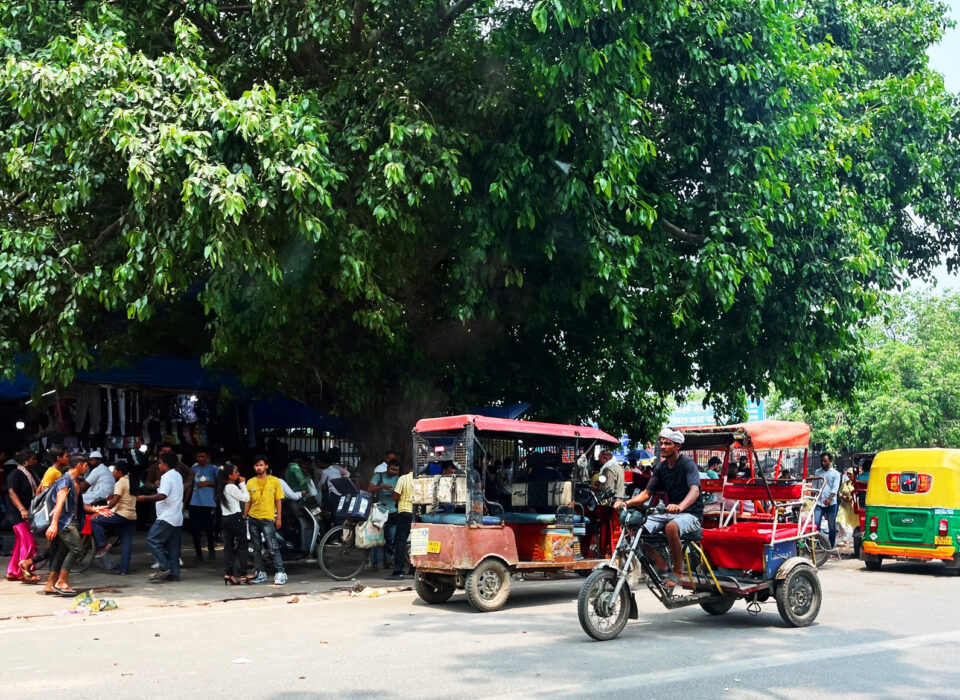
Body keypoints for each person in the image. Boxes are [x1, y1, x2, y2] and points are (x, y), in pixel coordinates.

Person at [614, 428, 702, 591]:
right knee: (636, 529)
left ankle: (677, 571)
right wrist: (626, 503)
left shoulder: (687, 463)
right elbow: (646, 494)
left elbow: (694, 491)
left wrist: (680, 506)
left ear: (678, 446)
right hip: (670, 512)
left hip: (691, 514)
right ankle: (662, 566)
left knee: (671, 527)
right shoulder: (661, 468)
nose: (663, 446)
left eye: (667, 443)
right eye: (661, 443)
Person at [44, 455, 109, 595]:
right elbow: (59, 503)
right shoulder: (65, 481)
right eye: (86, 465)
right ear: (79, 465)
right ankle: (62, 581)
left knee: (62, 551)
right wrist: (54, 524)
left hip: (67, 521)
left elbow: (76, 504)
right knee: (77, 550)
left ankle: (50, 584)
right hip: (65, 522)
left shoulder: (73, 482)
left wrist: (94, 509)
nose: (87, 468)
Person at [138, 452, 184, 582]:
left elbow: (162, 496)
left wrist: (144, 498)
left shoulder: (167, 477)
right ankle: (174, 574)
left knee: (153, 539)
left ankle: (164, 567)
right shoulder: (177, 475)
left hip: (167, 516)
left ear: (165, 465)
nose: (159, 466)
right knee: (173, 548)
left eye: (160, 463)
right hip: (177, 517)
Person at [244, 455, 286, 585]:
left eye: (261, 465)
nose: (259, 467)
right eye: (256, 465)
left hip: (268, 518)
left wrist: (278, 517)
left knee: (272, 546)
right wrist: (244, 516)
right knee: (256, 548)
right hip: (253, 518)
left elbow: (278, 500)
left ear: (266, 466)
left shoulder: (275, 481)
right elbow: (248, 501)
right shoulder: (250, 482)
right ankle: (260, 573)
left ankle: (280, 572)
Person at [91, 461, 138, 575]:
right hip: (132, 516)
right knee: (127, 544)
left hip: (122, 514)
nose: (113, 473)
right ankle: (124, 570)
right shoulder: (132, 481)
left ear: (120, 472)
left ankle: (103, 544)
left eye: (115, 471)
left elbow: (115, 501)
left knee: (95, 520)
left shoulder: (120, 482)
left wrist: (103, 510)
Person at [4, 450, 40, 583]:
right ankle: (25, 572)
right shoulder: (16, 474)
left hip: (27, 512)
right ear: (26, 460)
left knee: (20, 543)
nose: (35, 461)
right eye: (33, 459)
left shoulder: (31, 473)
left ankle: (12, 571)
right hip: (17, 513)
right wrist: (22, 508)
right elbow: (12, 492)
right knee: (29, 542)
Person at [216, 462, 251, 584]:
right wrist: (242, 484)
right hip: (235, 518)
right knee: (242, 545)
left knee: (228, 547)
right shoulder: (232, 487)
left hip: (225, 518)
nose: (238, 474)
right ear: (230, 476)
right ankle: (243, 574)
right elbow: (246, 498)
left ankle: (228, 573)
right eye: (236, 472)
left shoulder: (221, 487)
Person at [188, 447, 218, 563]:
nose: (200, 459)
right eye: (198, 456)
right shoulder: (193, 468)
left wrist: (208, 483)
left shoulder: (214, 469)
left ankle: (211, 549)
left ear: (207, 456)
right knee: (195, 530)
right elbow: (190, 484)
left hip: (208, 502)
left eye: (202, 456)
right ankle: (198, 554)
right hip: (195, 502)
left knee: (209, 529)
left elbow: (221, 482)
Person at [369, 459, 400, 569]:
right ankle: (375, 562)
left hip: (392, 512)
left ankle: (387, 561)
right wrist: (382, 487)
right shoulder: (379, 476)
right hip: (379, 511)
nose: (394, 472)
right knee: (377, 539)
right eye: (392, 469)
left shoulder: (398, 479)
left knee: (390, 539)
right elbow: (370, 488)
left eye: (396, 470)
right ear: (387, 468)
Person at [386, 464, 414, 580]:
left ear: (409, 468)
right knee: (417, 541)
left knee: (400, 541)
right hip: (419, 513)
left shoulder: (404, 478)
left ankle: (398, 570)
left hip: (405, 511)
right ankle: (414, 569)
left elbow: (395, 497)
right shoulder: (423, 479)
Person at [813, 452, 841, 549]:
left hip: (831, 504)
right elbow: (815, 486)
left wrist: (829, 499)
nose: (823, 463)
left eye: (825, 461)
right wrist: (812, 498)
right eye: (821, 461)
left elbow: (835, 488)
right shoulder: (817, 472)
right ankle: (820, 544)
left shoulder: (836, 474)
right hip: (819, 503)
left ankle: (830, 546)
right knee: (816, 524)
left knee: (832, 526)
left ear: (830, 461)